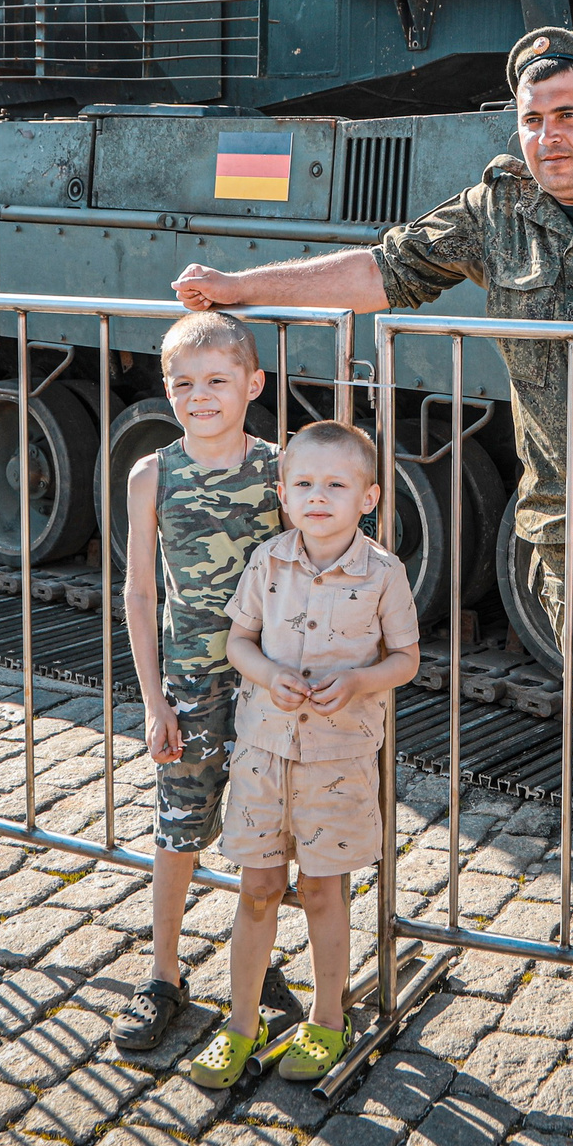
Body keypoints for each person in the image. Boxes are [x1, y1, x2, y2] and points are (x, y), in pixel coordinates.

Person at [174, 27, 573, 1033]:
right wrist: (241, 290)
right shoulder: (496, 211)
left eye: (569, 115)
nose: (549, 135)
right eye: (533, 119)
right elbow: (383, 272)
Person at [185, 420, 420, 1088]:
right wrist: (264, 673)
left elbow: (406, 658)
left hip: (337, 757)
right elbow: (240, 642)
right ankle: (242, 1021)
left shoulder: (383, 573)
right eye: (305, 484)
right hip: (263, 751)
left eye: (336, 484)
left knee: (323, 888)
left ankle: (327, 1015)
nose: (319, 496)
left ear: (368, 496)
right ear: (285, 494)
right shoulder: (268, 561)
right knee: (257, 887)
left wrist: (356, 680)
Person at [111, 310, 298, 1051]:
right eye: (183, 383)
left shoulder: (280, 469)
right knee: (179, 829)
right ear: (166, 389)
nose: (200, 395)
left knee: (265, 830)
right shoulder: (153, 473)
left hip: (269, 684)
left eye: (217, 380)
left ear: (252, 384)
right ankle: (163, 974)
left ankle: (258, 965)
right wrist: (153, 698)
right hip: (191, 682)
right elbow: (139, 592)